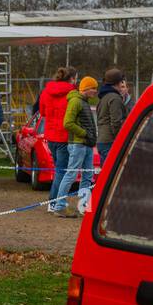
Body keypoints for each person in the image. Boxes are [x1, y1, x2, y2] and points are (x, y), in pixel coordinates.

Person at [57, 76, 98, 218]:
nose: (95, 91)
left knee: (87, 175)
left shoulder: (84, 102)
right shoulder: (75, 101)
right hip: (77, 144)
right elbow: (67, 123)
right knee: (71, 175)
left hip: (86, 145)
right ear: (86, 89)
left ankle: (84, 207)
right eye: (93, 88)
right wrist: (84, 133)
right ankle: (59, 206)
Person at [38, 66, 77, 214]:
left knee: (58, 170)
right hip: (64, 136)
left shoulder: (46, 91)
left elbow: (42, 112)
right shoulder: (72, 93)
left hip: (50, 135)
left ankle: (54, 201)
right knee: (62, 171)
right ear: (72, 78)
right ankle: (54, 201)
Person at [95, 68, 127, 161]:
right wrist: (120, 140)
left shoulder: (104, 97)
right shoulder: (115, 98)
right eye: (121, 82)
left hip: (102, 140)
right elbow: (116, 122)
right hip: (110, 141)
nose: (122, 84)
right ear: (118, 82)